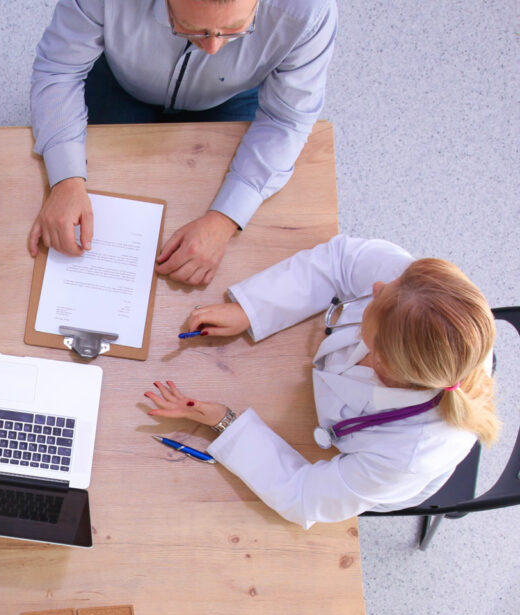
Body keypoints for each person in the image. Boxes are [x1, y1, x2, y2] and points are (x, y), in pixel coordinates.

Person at [141, 235, 499, 528]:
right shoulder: (416, 292)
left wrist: (224, 421)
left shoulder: (408, 455)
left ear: (383, 360)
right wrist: (250, 310)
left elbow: (304, 497)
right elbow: (341, 262)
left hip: (368, 481)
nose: (376, 285)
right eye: (391, 284)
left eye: (377, 300)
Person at [28, 0, 337, 286]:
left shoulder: (308, 11)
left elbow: (286, 121)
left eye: (235, 30)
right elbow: (59, 71)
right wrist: (66, 181)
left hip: (231, 96)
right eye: (191, 28)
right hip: (120, 84)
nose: (214, 48)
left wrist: (225, 220)